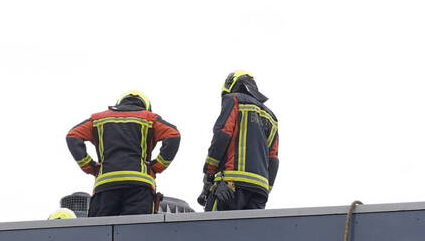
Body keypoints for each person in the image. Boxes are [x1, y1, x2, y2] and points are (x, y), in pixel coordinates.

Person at [66, 91, 181, 217]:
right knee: (135, 232)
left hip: (105, 186)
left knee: (101, 232)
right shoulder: (150, 118)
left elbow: (73, 136)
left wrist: (89, 166)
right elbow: (173, 135)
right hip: (139, 186)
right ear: (146, 106)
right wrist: (157, 166)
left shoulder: (98, 119)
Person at [199, 71, 279, 211]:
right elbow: (273, 159)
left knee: (212, 229)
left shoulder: (234, 100)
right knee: (250, 232)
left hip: (231, 184)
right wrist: (266, 188)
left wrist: (209, 173)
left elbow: (222, 134)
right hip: (259, 190)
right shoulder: (272, 117)